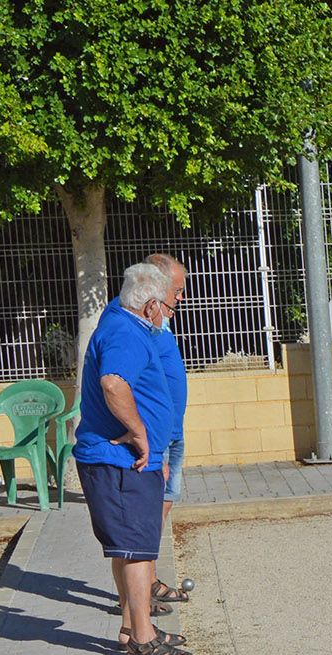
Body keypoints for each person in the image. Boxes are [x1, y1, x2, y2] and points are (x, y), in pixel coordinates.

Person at [75, 260, 188, 655]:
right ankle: (142, 636)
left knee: (131, 547)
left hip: (129, 459)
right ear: (152, 306)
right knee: (138, 550)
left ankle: (134, 627)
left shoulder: (128, 327)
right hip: (121, 459)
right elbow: (113, 382)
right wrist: (140, 433)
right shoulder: (126, 332)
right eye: (169, 303)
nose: (169, 311)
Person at [146, 251, 190, 607]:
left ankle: (149, 579)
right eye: (177, 288)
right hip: (158, 436)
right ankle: (137, 591)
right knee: (147, 514)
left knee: (162, 506)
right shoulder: (141, 325)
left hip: (173, 431)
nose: (181, 296)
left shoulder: (163, 322)